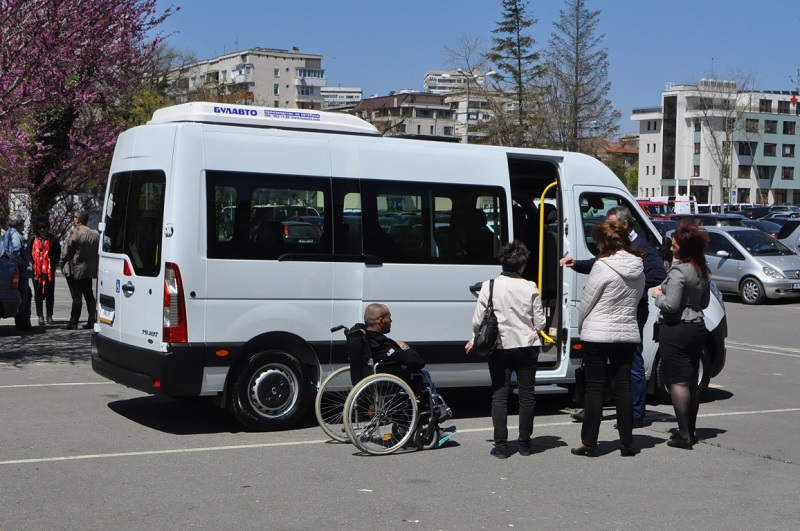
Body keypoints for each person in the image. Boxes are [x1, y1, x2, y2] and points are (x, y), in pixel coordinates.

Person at [561, 205, 666, 427]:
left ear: (625, 225)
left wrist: (631, 287)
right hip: (613, 312)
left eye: (612, 224)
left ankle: (636, 414)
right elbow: (603, 263)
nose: (609, 228)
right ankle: (595, 410)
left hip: (633, 311)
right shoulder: (619, 245)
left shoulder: (642, 247)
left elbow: (659, 273)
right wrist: (577, 264)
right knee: (606, 366)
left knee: (632, 363)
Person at [466, 240, 546, 459]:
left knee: (500, 396)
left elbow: (477, 321)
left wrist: (474, 339)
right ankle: (525, 444)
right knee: (527, 396)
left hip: (499, 346)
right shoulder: (530, 286)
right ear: (523, 265)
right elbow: (540, 323)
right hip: (526, 346)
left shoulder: (489, 286)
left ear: (502, 263)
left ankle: (501, 446)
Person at [571, 221, 644, 458]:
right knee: (623, 387)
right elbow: (637, 299)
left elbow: (588, 300)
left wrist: (582, 324)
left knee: (595, 389)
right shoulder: (638, 265)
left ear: (603, 242)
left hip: (598, 333)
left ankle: (589, 443)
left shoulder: (602, 266)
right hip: (627, 332)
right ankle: (627, 442)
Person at [651, 220, 710, 450]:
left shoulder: (678, 271)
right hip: (697, 327)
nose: (671, 245)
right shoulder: (702, 269)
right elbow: (703, 302)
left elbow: (672, 305)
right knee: (691, 379)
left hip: (677, 328)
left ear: (683, 248)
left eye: (674, 243)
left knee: (677, 381)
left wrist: (658, 295)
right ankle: (691, 430)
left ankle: (684, 434)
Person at [363, 303, 452, 425]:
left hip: (369, 378)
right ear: (380, 320)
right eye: (389, 317)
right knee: (423, 374)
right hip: (389, 380)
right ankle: (435, 415)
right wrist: (404, 346)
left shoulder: (363, 339)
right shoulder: (382, 344)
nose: (391, 321)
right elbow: (418, 362)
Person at [61, 210, 99, 330]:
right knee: (89, 295)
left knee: (77, 297)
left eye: (75, 217)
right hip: (88, 269)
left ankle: (73, 322)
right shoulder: (95, 234)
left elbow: (66, 251)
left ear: (78, 219)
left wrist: (62, 262)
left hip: (75, 268)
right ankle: (92, 320)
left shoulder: (75, 232)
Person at [1, 214, 33, 330]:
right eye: (23, 221)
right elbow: (15, 253)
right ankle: (23, 323)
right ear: (18, 223)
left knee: (25, 294)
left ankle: (23, 322)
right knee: (24, 296)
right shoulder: (15, 235)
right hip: (19, 271)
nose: (24, 224)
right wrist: (24, 265)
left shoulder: (7, 233)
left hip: (12, 270)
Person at [29, 217, 62, 326]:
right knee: (38, 293)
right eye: (40, 228)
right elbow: (29, 253)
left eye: (44, 227)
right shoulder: (33, 239)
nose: (42, 230)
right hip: (37, 271)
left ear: (47, 228)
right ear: (37, 229)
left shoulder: (53, 239)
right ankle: (40, 316)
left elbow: (57, 253)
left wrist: (50, 264)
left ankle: (49, 316)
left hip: (48, 271)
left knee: (50, 293)